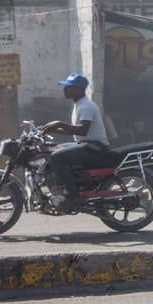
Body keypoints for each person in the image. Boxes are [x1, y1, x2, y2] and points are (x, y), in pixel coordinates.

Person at [38, 73, 110, 212]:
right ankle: (60, 187)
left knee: (56, 157)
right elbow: (75, 131)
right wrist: (50, 130)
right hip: (85, 145)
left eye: (68, 87)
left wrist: (58, 124)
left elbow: (82, 130)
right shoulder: (79, 104)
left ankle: (73, 194)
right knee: (53, 149)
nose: (64, 89)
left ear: (78, 89)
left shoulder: (87, 106)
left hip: (95, 148)